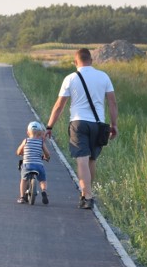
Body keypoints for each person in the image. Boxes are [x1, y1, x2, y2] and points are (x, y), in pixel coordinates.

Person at [45, 48, 118, 209]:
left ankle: (88, 196)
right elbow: (112, 103)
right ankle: (86, 194)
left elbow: (59, 106)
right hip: (98, 124)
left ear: (75, 62)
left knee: (82, 160)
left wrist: (49, 126)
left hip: (78, 123)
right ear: (91, 60)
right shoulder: (103, 76)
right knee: (91, 159)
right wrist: (114, 125)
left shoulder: (70, 78)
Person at [16, 121, 51, 204]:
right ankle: (44, 191)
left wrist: (21, 153)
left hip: (27, 164)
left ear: (27, 132)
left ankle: (22, 197)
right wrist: (46, 157)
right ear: (40, 133)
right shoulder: (41, 142)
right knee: (42, 179)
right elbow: (47, 153)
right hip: (38, 165)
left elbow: (18, 151)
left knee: (23, 180)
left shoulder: (26, 140)